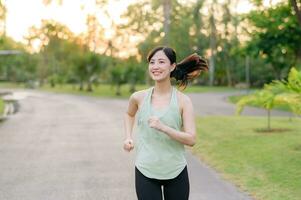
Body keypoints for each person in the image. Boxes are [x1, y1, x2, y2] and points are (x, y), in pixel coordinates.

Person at [123, 46, 208, 200]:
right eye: (152, 62)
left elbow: (191, 139)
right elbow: (129, 114)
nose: (155, 66)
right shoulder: (138, 98)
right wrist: (128, 136)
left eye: (161, 62)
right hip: (145, 170)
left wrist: (163, 128)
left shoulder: (183, 101)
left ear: (172, 66)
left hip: (176, 171)